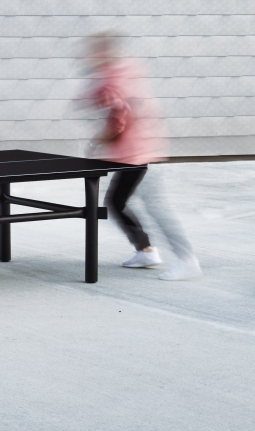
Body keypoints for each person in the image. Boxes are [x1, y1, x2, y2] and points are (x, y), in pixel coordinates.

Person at [80, 33, 201, 281]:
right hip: (138, 151)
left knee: (155, 207)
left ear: (104, 53)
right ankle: (145, 251)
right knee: (117, 202)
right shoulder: (125, 72)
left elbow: (117, 121)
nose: (89, 56)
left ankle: (187, 261)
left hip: (139, 154)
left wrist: (96, 142)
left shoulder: (114, 79)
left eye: (94, 51)